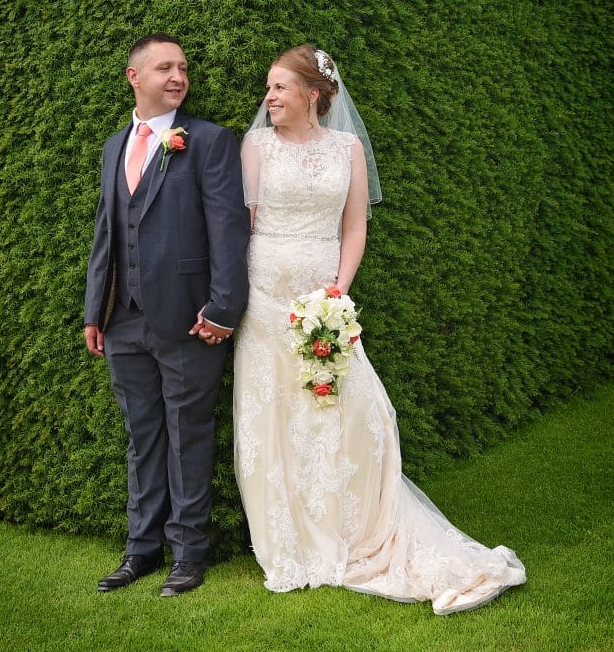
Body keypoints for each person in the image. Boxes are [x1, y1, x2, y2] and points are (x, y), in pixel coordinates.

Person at [233, 44, 526, 614]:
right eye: (268, 88)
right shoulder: (255, 146)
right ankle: (288, 544)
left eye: (279, 88)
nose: (268, 97)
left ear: (313, 95)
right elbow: (240, 226)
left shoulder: (347, 149)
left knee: (353, 415)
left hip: (324, 306)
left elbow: (355, 228)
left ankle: (355, 531)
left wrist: (337, 292)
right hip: (264, 305)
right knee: (270, 418)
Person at [84, 34, 250, 597]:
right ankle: (141, 550)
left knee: (188, 435)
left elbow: (229, 230)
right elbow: (107, 234)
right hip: (123, 320)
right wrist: (94, 312)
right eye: (164, 68)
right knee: (142, 435)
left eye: (182, 68)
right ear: (134, 77)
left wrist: (224, 308)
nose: (177, 76)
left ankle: (189, 554)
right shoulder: (113, 147)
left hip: (189, 319)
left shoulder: (207, 141)